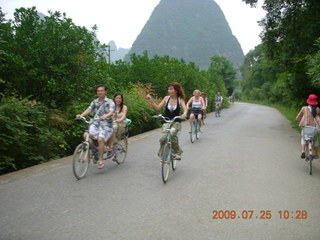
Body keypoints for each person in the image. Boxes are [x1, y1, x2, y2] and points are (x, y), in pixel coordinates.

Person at [76, 84, 115, 169]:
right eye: (98, 91)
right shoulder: (94, 102)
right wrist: (81, 115)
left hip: (106, 125)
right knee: (86, 135)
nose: (100, 92)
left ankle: (100, 160)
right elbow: (89, 109)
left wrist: (106, 115)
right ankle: (95, 151)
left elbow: (111, 111)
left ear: (105, 91)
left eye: (102, 90)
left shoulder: (110, 102)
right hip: (96, 123)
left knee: (100, 139)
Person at [147, 82, 188, 160]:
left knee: (172, 135)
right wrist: (151, 101)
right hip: (166, 121)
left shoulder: (180, 99)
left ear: (176, 90)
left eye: (171, 89)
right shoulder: (166, 98)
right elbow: (158, 107)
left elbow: (185, 108)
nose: (169, 91)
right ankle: (163, 154)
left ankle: (176, 152)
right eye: (168, 89)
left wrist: (184, 113)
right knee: (164, 137)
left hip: (176, 122)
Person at [296, 94, 320, 159]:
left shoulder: (304, 108)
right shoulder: (317, 109)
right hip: (314, 129)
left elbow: (298, 116)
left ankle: (303, 151)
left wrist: (298, 119)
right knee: (315, 140)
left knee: (303, 138)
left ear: (308, 101)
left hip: (305, 128)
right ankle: (316, 153)